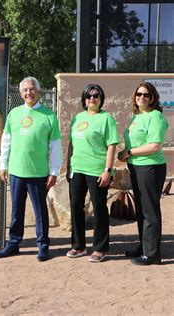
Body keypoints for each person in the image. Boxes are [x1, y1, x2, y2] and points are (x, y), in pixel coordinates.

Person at [0, 77, 62, 261]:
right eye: (25, 90)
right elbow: (6, 141)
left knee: (40, 211)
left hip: (38, 173)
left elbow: (55, 146)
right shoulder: (14, 114)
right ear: (21, 93)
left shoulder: (49, 116)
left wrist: (54, 171)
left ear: (38, 91)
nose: (28, 93)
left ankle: (43, 245)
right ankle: (13, 244)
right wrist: (3, 164)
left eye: (32, 89)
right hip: (16, 171)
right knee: (16, 210)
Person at [66, 84, 119, 263]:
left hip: (97, 170)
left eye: (96, 96)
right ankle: (78, 246)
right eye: (88, 96)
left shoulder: (106, 119)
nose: (92, 99)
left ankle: (100, 248)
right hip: (77, 169)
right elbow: (71, 145)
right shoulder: (77, 118)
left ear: (101, 99)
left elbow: (112, 145)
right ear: (84, 99)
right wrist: (68, 168)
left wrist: (107, 170)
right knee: (75, 207)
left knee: (99, 209)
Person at [118, 82, 168, 265]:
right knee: (141, 210)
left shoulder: (155, 117)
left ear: (152, 97)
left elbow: (154, 146)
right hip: (136, 166)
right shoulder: (137, 117)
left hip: (150, 167)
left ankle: (153, 254)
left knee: (149, 210)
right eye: (138, 94)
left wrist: (129, 153)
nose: (141, 97)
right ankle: (144, 246)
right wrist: (125, 153)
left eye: (146, 94)